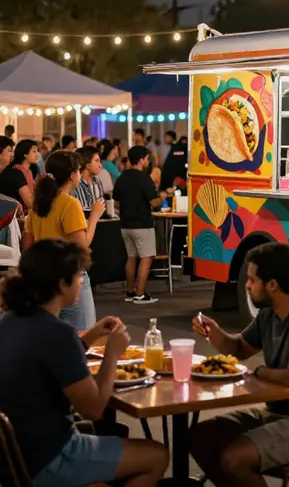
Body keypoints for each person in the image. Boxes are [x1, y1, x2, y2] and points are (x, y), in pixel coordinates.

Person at [0, 238, 169, 487]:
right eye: (79, 275)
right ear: (61, 284)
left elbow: (46, 361)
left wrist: (89, 338)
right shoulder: (57, 333)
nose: (81, 281)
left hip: (13, 459)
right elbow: (94, 409)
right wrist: (112, 354)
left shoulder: (10, 321)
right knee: (157, 455)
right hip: (51, 457)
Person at [188, 242, 289, 486]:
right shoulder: (270, 314)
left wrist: (258, 372)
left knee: (234, 458)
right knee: (199, 437)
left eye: (252, 279)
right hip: (277, 414)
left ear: (272, 285)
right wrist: (214, 332)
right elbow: (239, 348)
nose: (247, 286)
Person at [25, 150, 104, 331]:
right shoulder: (70, 204)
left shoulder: (38, 204)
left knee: (48, 338)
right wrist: (94, 217)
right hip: (70, 277)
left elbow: (28, 243)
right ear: (72, 175)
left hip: (43, 278)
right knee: (81, 337)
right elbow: (82, 246)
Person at [113, 145, 168, 305]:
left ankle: (130, 291)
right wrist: (161, 196)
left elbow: (116, 203)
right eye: (146, 159)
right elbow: (154, 201)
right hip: (142, 224)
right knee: (146, 257)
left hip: (125, 224)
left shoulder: (122, 178)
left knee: (131, 257)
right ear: (142, 160)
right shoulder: (144, 178)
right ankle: (140, 293)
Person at [0, 138, 38, 214]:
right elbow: (30, 202)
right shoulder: (15, 173)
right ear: (25, 154)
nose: (12, 154)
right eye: (9, 150)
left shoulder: (29, 172)